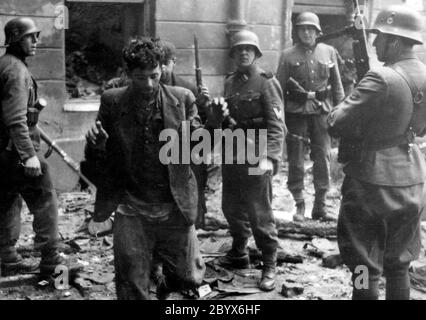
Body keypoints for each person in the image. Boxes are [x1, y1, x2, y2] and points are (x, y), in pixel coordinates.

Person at [85, 37, 205, 300]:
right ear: (128, 74)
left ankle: (164, 284)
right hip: (132, 206)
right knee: (131, 283)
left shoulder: (182, 99)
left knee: (187, 278)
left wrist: (216, 123)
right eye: (141, 78)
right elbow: (96, 163)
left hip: (174, 203)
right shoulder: (112, 102)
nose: (149, 84)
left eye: (154, 75)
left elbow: (199, 146)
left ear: (162, 69)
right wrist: (98, 145)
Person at [328, 5, 426, 300]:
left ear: (395, 41)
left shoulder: (380, 78)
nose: (374, 44)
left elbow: (335, 122)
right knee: (399, 263)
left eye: (379, 38)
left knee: (362, 265)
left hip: (371, 181)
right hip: (412, 178)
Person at [0, 17, 78, 276]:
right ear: (15, 39)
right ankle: (50, 259)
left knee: (8, 199)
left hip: (4, 151)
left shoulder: (7, 65)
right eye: (30, 36)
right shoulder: (16, 72)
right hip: (15, 152)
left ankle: (7, 257)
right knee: (45, 198)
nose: (36, 41)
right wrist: (29, 156)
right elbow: (14, 119)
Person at [210, 29, 286, 291]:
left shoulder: (266, 82)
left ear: (255, 53)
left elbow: (277, 126)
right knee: (231, 207)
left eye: (248, 49)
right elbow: (225, 119)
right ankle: (239, 251)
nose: (243, 52)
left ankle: (269, 263)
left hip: (257, 154)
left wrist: (271, 158)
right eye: (239, 49)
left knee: (259, 213)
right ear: (233, 54)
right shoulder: (230, 82)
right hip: (233, 154)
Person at [277, 12, 345, 222]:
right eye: (302, 28)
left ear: (317, 31)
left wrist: (340, 112)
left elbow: (338, 86)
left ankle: (320, 205)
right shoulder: (287, 55)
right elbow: (278, 89)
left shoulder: (329, 52)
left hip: (322, 113)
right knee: (296, 160)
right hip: (296, 114)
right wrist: (279, 116)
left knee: (322, 158)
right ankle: (299, 203)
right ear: (297, 31)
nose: (306, 32)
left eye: (310, 29)